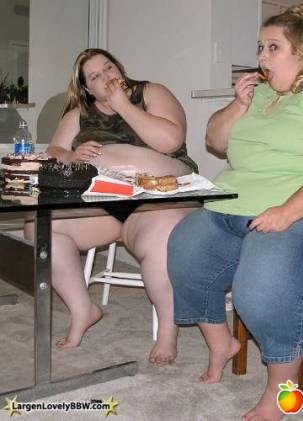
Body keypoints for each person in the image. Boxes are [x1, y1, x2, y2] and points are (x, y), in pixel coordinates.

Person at [167, 4, 303, 420]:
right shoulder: (260, 94)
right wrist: (238, 105)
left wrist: (288, 212)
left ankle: (282, 389)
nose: (262, 56)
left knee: (266, 275)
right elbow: (215, 140)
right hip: (242, 209)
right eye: (260, 47)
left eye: (273, 47)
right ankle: (221, 343)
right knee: (187, 244)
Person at [25, 48, 198, 364]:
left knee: (159, 241)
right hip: (106, 203)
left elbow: (170, 142)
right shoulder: (79, 114)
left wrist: (123, 105)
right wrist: (71, 156)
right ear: (87, 88)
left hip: (160, 198)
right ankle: (83, 309)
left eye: (108, 67)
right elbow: (53, 152)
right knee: (39, 227)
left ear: (119, 67)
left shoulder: (151, 92)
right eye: (95, 76)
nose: (105, 77)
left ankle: (167, 332)